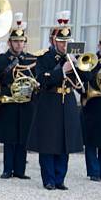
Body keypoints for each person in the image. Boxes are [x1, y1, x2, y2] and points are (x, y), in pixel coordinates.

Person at [26, 11, 83, 190]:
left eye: (67, 41)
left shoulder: (74, 56)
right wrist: (62, 69)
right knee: (48, 142)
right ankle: (49, 179)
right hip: (49, 101)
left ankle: (60, 178)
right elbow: (43, 79)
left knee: (64, 142)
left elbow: (86, 77)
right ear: (53, 41)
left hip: (67, 101)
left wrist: (78, 64)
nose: (64, 45)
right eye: (61, 41)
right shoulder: (44, 57)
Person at [0, 13, 37, 179]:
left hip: (26, 103)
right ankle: (7, 169)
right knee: (9, 138)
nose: (19, 44)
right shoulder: (0, 60)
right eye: (16, 41)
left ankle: (20, 171)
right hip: (8, 102)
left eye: (22, 41)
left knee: (23, 138)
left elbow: (37, 81)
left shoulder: (31, 59)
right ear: (9, 42)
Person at [80, 29, 101, 181]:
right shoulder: (92, 60)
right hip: (93, 104)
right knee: (91, 139)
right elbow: (85, 79)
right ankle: (94, 171)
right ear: (100, 45)